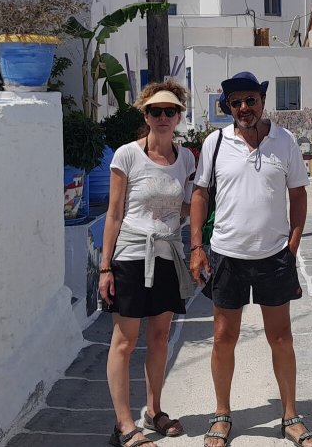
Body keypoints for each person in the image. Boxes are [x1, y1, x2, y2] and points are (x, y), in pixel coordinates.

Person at [189, 71, 312, 447]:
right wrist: (197, 246)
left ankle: (290, 415)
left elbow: (298, 194)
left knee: (280, 337)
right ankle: (221, 413)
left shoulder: (285, 141)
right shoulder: (215, 143)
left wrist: (292, 246)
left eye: (251, 100)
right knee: (222, 337)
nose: (244, 108)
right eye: (236, 103)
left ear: (262, 101)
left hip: (273, 256)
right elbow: (200, 195)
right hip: (227, 256)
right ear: (227, 107)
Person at [99, 80, 197, 447]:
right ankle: (124, 424)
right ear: (146, 115)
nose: (163, 117)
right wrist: (105, 268)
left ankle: (153, 412)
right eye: (155, 111)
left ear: (178, 116)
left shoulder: (185, 158)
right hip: (131, 256)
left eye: (170, 111)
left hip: (168, 255)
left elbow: (186, 207)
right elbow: (113, 214)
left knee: (159, 338)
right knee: (125, 341)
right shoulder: (127, 155)